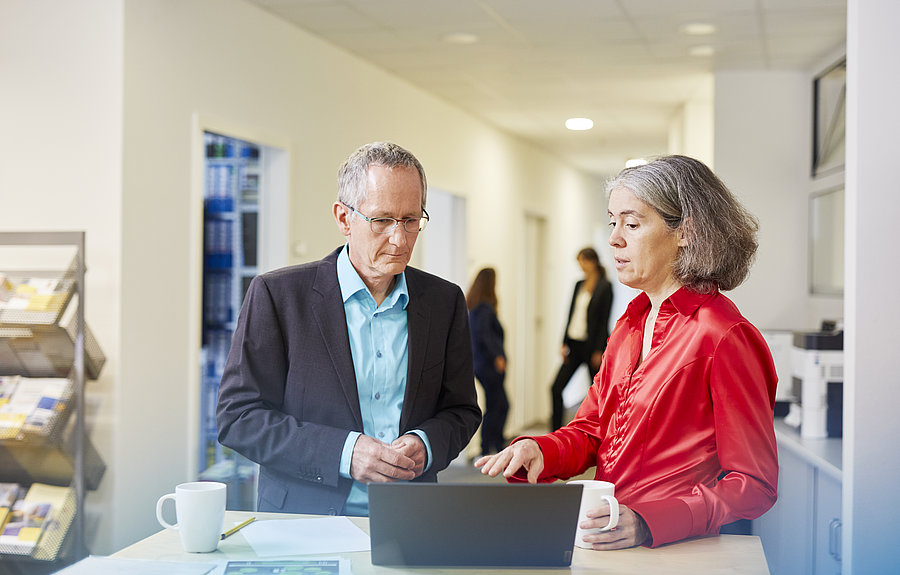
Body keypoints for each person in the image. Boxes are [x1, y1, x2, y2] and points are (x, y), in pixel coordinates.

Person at [476, 155, 778, 550]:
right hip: (613, 538)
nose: (614, 239)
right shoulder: (630, 324)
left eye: (632, 224)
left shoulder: (723, 335)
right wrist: (541, 450)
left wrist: (652, 522)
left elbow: (754, 484)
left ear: (685, 231)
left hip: (679, 551)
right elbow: (594, 431)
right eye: (612, 222)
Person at [217, 141, 481, 516]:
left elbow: (461, 411)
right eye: (382, 220)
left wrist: (427, 443)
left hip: (410, 516)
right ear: (344, 219)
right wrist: (344, 452)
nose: (400, 239)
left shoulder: (444, 302)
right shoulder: (278, 296)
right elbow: (238, 417)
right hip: (303, 521)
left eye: (411, 220)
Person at [549, 247, 613, 430]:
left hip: (592, 347)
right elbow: (570, 315)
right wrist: (564, 342)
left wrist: (599, 349)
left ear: (592, 261)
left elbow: (603, 321)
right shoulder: (579, 284)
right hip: (574, 345)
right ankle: (555, 432)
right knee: (555, 388)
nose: (580, 266)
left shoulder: (605, 286)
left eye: (582, 262)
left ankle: (601, 432)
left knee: (599, 394)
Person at [466, 267, 509, 457]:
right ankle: (490, 447)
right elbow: (485, 335)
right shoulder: (484, 307)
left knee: (497, 405)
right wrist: (497, 356)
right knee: (499, 405)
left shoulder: (476, 306)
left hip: (480, 364)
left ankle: (492, 445)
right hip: (488, 364)